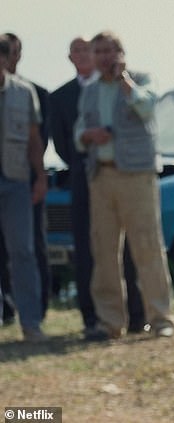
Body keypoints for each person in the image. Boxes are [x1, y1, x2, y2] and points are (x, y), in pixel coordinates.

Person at [74, 31, 174, 340]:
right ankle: (109, 323)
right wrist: (89, 135)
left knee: (147, 247)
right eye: (99, 51)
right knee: (103, 251)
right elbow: (79, 131)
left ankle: (161, 319)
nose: (104, 57)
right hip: (101, 177)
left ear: (121, 52)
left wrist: (125, 80)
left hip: (137, 176)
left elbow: (146, 108)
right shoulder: (90, 91)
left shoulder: (142, 79)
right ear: (93, 56)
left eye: (110, 50)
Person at [49, 36, 146, 339]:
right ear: (71, 56)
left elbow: (146, 115)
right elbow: (65, 142)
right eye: (75, 50)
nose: (83, 55)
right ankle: (95, 318)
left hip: (129, 174)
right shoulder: (62, 96)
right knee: (92, 249)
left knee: (132, 249)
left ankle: (138, 316)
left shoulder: (126, 83)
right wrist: (87, 147)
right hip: (85, 176)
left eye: (87, 49)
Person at [0, 32, 51, 324]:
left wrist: (41, 178)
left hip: (16, 179)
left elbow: (34, 140)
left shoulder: (24, 92)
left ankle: (31, 324)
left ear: (7, 60)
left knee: (23, 251)